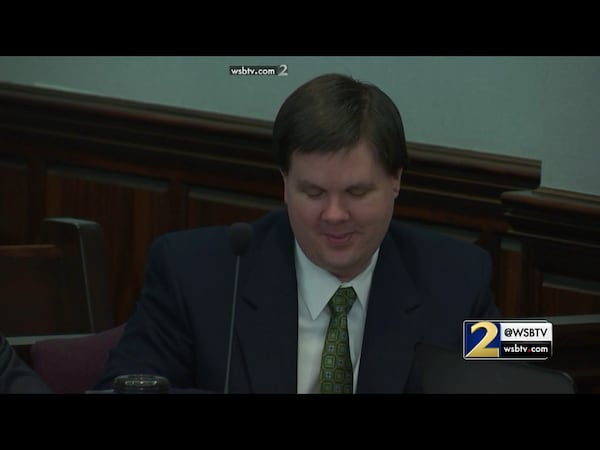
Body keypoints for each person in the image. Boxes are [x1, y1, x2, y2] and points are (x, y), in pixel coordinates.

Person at [94, 73, 501, 394]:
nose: (334, 214)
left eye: (356, 192)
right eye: (313, 192)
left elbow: (525, 357)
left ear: (396, 180)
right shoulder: (195, 273)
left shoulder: (458, 278)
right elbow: (122, 388)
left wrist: (542, 341)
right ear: (284, 183)